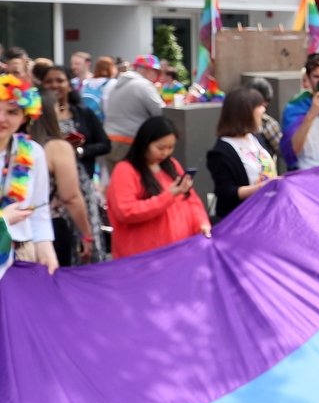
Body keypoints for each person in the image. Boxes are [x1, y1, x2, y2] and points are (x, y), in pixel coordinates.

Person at [106, 115, 210, 258]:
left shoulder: (171, 165)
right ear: (145, 143)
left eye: (171, 147)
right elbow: (126, 211)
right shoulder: (125, 170)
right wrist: (168, 196)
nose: (165, 153)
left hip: (179, 252)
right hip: (144, 257)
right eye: (160, 147)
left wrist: (202, 223)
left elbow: (191, 200)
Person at [29, 87, 97, 267]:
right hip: (49, 229)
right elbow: (71, 197)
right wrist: (86, 234)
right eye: (58, 107)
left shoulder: (17, 143)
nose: (62, 111)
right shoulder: (56, 147)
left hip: (16, 229)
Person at [1, 74, 56, 275]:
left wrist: (45, 247)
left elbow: (39, 210)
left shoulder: (33, 152)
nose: (2, 119)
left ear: (24, 116)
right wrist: (3, 220)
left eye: (12, 112)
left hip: (20, 258)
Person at [206, 88, 277, 220]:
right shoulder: (221, 151)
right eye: (259, 106)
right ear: (246, 112)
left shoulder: (254, 138)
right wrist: (260, 188)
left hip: (267, 215)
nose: (263, 110)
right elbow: (226, 192)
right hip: (243, 220)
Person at [101, 54, 165, 165]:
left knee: (116, 180)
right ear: (146, 70)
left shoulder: (115, 84)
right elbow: (160, 112)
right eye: (155, 71)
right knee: (133, 180)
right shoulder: (144, 85)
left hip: (109, 140)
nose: (156, 75)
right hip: (129, 142)